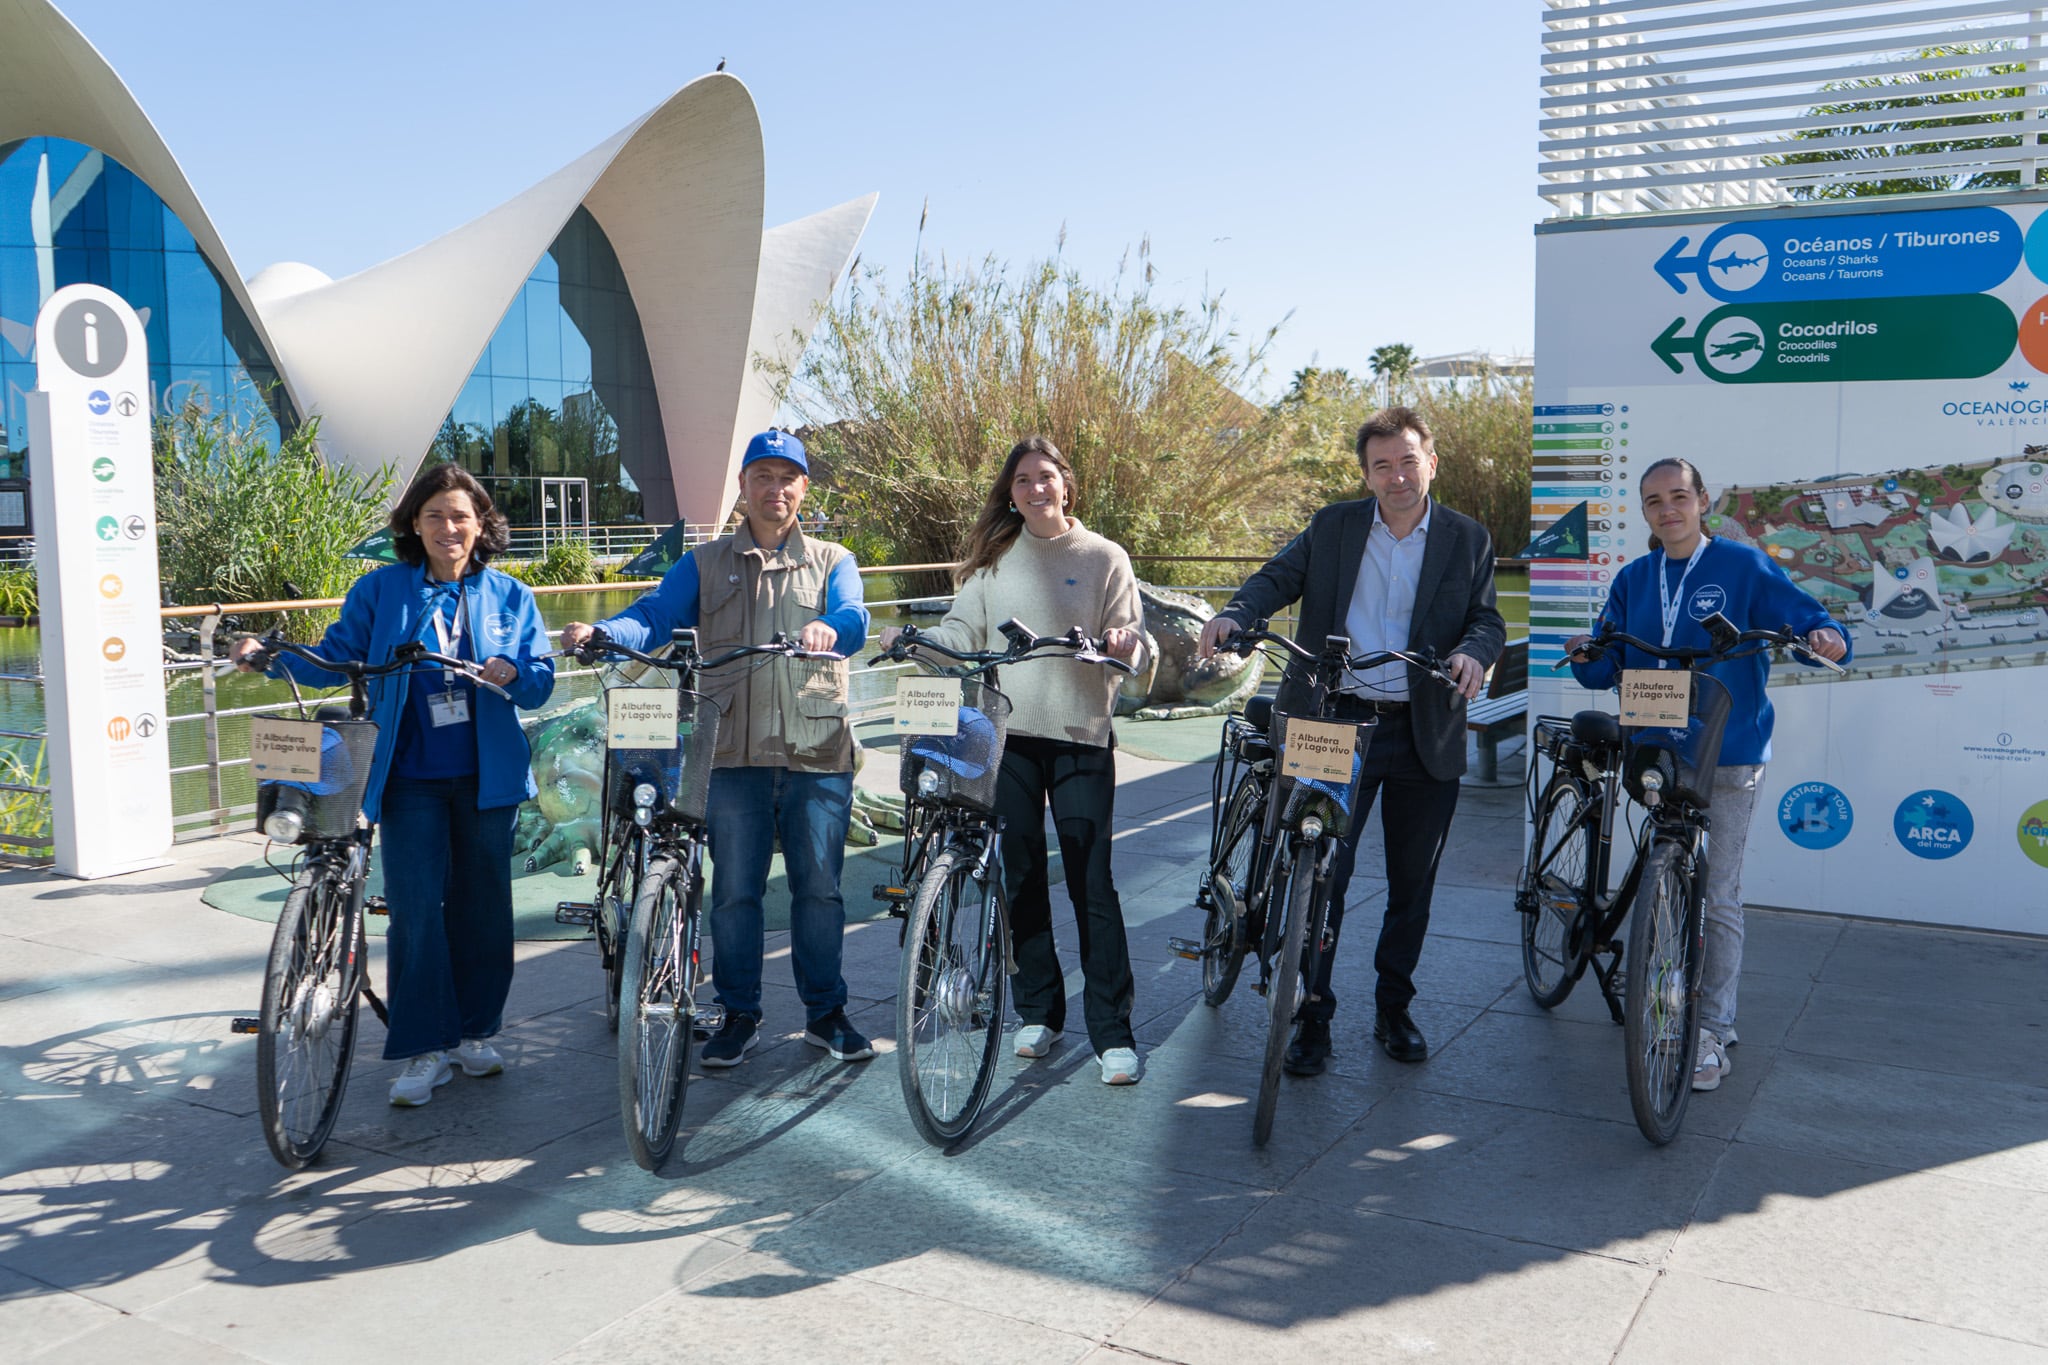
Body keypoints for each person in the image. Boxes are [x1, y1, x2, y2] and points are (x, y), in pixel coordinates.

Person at [233, 464, 556, 1107]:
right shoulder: (381, 590)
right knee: (413, 909)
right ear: (414, 523)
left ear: (481, 524)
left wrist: (514, 669)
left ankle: (471, 1031)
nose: (448, 527)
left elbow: (541, 679)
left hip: (487, 779)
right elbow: (335, 658)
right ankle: (424, 1047)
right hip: (407, 777)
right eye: (434, 515)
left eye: (460, 515)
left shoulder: (511, 595)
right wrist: (269, 657)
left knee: (483, 909)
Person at [1197, 406, 1505, 1072]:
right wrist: (1236, 612)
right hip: (1330, 721)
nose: (1396, 476)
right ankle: (1310, 1011)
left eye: (1408, 460)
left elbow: (1486, 619)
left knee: (1410, 884)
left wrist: (1477, 652)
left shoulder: (1467, 538)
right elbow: (1275, 578)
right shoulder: (1334, 526)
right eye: (1381, 465)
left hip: (1425, 729)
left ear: (1432, 462)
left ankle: (1394, 1007)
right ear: (1367, 474)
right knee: (1319, 875)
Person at [559, 430, 873, 1067]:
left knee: (821, 891)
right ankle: (739, 1013)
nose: (774, 489)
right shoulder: (703, 563)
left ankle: (826, 1012)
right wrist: (603, 631)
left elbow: (856, 618)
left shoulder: (833, 559)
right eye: (762, 475)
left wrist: (828, 626)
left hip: (817, 751)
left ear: (803, 489)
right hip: (730, 752)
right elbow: (651, 615)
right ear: (743, 486)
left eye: (787, 477)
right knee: (734, 892)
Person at [1567, 456, 1848, 1092]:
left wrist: (1826, 633)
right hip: (1656, 750)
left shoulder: (1743, 566)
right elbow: (1603, 660)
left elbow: (1808, 617)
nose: (1667, 510)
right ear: (1644, 512)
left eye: (1678, 497)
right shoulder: (1635, 577)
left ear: (1701, 502)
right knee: (1668, 878)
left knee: (1717, 895)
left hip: (1729, 751)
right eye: (1654, 501)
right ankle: (1660, 976)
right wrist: (1586, 656)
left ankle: (1714, 1026)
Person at [880, 436, 1150, 1084]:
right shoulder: (991, 564)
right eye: (1022, 479)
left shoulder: (1104, 558)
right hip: (1010, 736)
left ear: (1067, 485)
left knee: (1092, 881)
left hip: (1082, 735)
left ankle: (1113, 1032)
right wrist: (909, 639)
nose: (1035, 488)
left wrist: (1122, 642)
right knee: (1021, 873)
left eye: (1046, 477)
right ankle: (1040, 1010)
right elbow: (958, 637)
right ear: (1011, 492)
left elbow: (1136, 646)